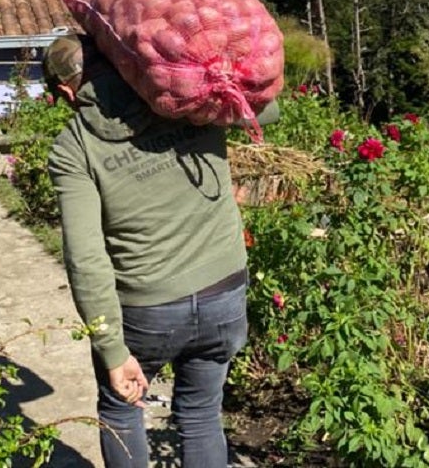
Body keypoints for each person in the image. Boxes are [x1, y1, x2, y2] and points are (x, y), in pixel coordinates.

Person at [43, 33, 276, 468]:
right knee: (202, 414)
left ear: (65, 91)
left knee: (120, 408)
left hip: (147, 313)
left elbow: (86, 259)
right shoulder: (183, 96)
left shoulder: (74, 148)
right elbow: (270, 107)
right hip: (223, 294)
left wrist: (112, 350)